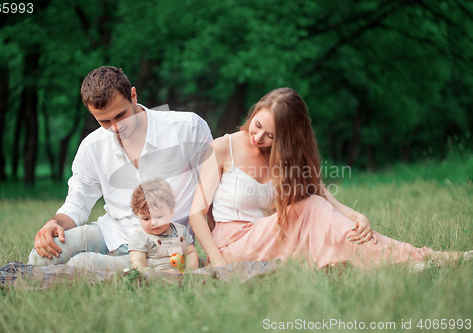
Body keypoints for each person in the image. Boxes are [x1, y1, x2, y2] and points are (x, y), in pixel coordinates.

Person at [189, 87, 469, 269]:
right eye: (257, 124)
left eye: (270, 136)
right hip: (233, 246)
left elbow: (323, 197)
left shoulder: (286, 158)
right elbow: (196, 215)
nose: (258, 137)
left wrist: (358, 216)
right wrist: (215, 259)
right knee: (311, 210)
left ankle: (426, 257)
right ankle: (411, 261)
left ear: (286, 139)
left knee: (325, 217)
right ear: (254, 113)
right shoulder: (222, 148)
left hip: (269, 235)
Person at [27, 66, 212, 270]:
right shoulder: (92, 146)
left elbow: (213, 195)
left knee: (82, 265)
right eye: (104, 121)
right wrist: (56, 223)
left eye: (121, 115)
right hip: (111, 234)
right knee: (41, 257)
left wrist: (218, 253)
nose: (116, 127)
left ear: (133, 96)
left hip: (163, 244)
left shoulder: (188, 128)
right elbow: (78, 201)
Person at [128, 178, 198, 272]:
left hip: (181, 275)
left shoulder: (181, 231)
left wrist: (189, 271)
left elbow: (190, 252)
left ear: (171, 211)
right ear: (137, 215)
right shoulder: (140, 237)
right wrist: (148, 275)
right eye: (146, 219)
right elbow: (138, 262)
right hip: (155, 278)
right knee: (121, 263)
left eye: (159, 216)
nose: (153, 223)